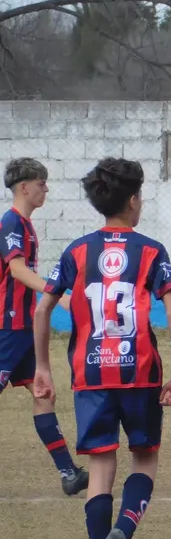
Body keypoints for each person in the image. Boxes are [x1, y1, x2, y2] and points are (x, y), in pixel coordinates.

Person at [33, 158, 171, 539]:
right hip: (139, 371)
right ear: (134, 200)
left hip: (91, 374)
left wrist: (43, 367)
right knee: (144, 458)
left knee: (101, 467)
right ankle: (123, 530)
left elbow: (42, 307)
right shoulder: (151, 250)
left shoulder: (76, 252)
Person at [0, 157, 86, 496]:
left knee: (43, 393)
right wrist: (58, 296)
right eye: (41, 183)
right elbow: (18, 271)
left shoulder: (24, 224)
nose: (46, 188)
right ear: (25, 187)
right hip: (7, 329)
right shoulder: (11, 223)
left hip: (23, 330)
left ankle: (68, 473)